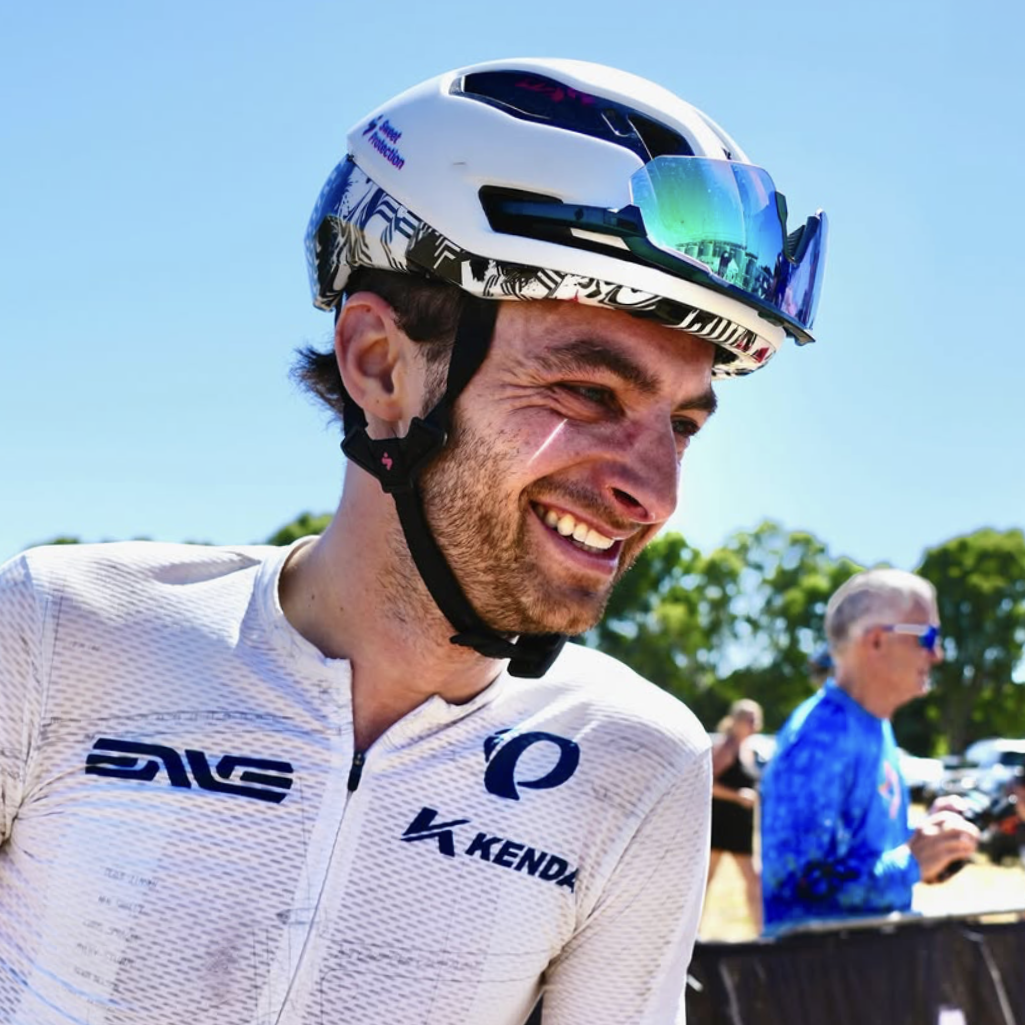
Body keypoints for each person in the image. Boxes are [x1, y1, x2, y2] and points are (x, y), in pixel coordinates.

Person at [0, 58, 827, 1024]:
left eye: (681, 425)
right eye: (586, 393)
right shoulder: (60, 631)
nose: (654, 494)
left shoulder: (636, 761)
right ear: (379, 365)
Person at [760, 569, 978, 934]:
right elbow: (795, 890)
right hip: (823, 968)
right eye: (927, 636)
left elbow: (859, 850)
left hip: (865, 962)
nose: (937, 654)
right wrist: (911, 862)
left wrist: (927, 841)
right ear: (876, 641)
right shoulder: (820, 738)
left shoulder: (874, 725)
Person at [708, 699, 765, 933]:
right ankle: (691, 934)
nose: (754, 724)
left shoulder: (749, 750)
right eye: (749, 719)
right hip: (722, 825)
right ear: (736, 721)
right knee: (705, 880)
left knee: (753, 879)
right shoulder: (726, 748)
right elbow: (708, 784)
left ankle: (760, 933)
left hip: (741, 827)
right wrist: (737, 795)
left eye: (756, 719)